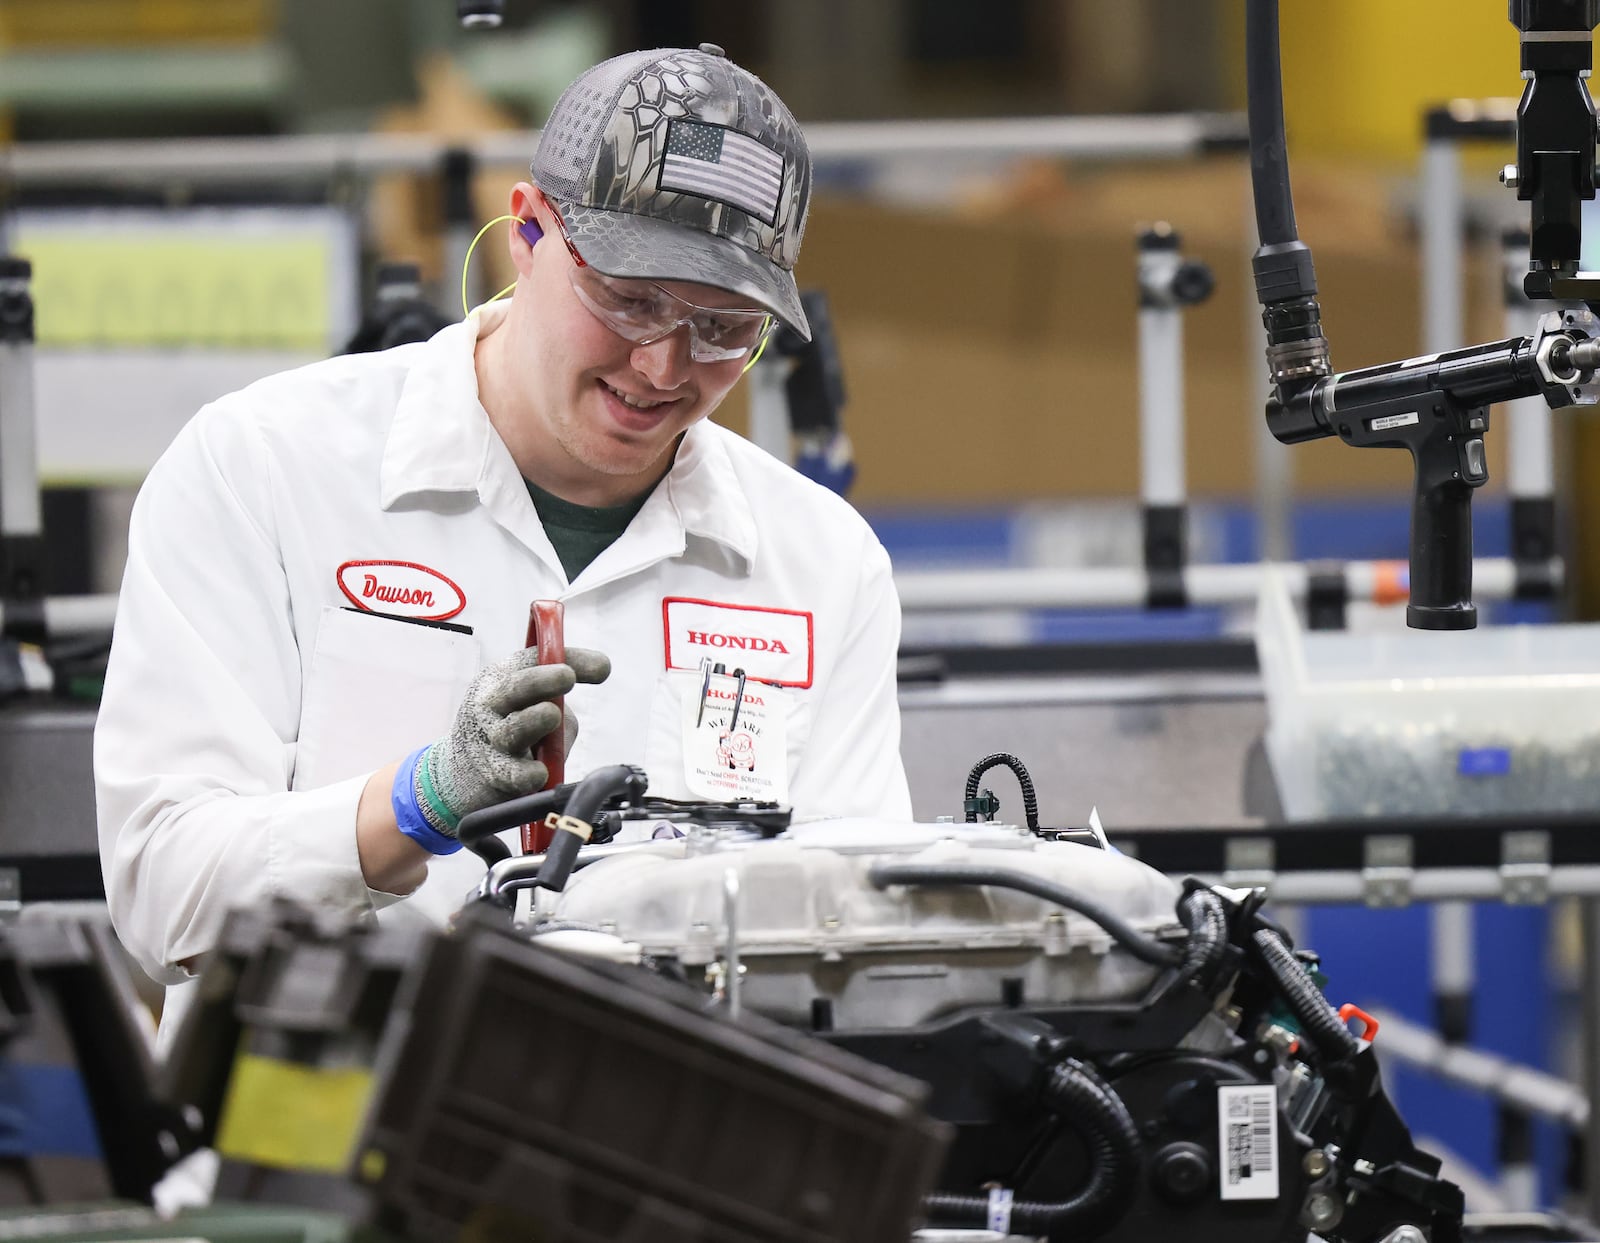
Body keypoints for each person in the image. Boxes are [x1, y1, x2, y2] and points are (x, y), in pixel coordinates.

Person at [94, 43, 911, 1020]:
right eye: (630, 297)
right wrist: (412, 806)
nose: (662, 365)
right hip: (321, 1139)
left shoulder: (820, 563)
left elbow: (855, 947)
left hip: (657, 1145)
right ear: (527, 232)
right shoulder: (267, 469)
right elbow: (159, 893)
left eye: (723, 328)